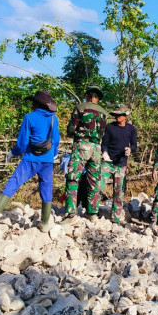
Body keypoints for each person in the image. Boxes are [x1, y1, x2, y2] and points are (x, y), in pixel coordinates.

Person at [0, 90, 60, 232]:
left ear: (37, 103)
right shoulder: (53, 118)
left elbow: (22, 142)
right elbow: (56, 139)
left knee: (14, 182)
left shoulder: (29, 117)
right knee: (46, 188)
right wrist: (54, 153)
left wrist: (12, 153)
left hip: (31, 159)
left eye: (33, 102)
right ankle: (45, 223)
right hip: (47, 160)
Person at [64, 84, 107, 223]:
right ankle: (92, 213)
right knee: (94, 181)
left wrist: (72, 132)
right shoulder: (104, 112)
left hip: (82, 145)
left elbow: (71, 128)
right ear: (98, 98)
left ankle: (71, 213)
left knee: (73, 177)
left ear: (87, 95)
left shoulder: (80, 107)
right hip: (96, 148)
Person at [101, 103, 137, 224]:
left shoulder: (131, 129)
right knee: (97, 184)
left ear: (125, 116)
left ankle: (115, 218)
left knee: (119, 191)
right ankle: (92, 212)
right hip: (108, 162)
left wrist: (130, 150)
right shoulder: (110, 127)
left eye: (119, 115)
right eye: (115, 115)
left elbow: (134, 144)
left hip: (121, 163)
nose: (117, 117)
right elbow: (104, 143)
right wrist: (104, 152)